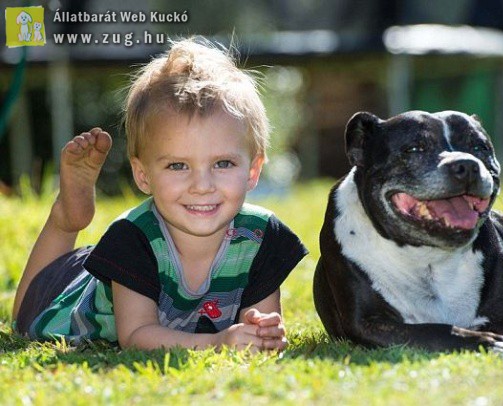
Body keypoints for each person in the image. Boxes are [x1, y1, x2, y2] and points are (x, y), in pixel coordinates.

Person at [12, 38, 307, 352]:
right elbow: (137, 335)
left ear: (253, 170)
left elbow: (260, 323)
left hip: (127, 265)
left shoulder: (262, 237)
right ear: (143, 175)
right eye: (178, 165)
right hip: (77, 291)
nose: (202, 185)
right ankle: (67, 219)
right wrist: (217, 342)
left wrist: (261, 333)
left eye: (223, 163)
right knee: (23, 316)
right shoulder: (131, 239)